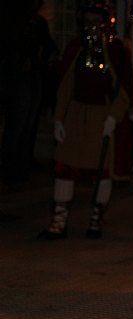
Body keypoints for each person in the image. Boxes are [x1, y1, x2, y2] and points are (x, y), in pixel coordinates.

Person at [38, 0, 133, 240]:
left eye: (96, 21)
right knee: (64, 166)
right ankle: (59, 222)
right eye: (87, 21)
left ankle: (96, 219)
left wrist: (113, 117)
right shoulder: (76, 48)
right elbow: (65, 87)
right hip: (75, 115)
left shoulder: (116, 52)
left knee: (102, 169)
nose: (91, 26)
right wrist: (60, 119)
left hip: (100, 116)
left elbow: (125, 90)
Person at [0, 0, 57, 186]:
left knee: (28, 123)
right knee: (17, 124)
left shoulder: (37, 22)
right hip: (17, 75)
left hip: (33, 73)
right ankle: (11, 168)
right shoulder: (13, 22)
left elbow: (48, 45)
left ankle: (21, 165)